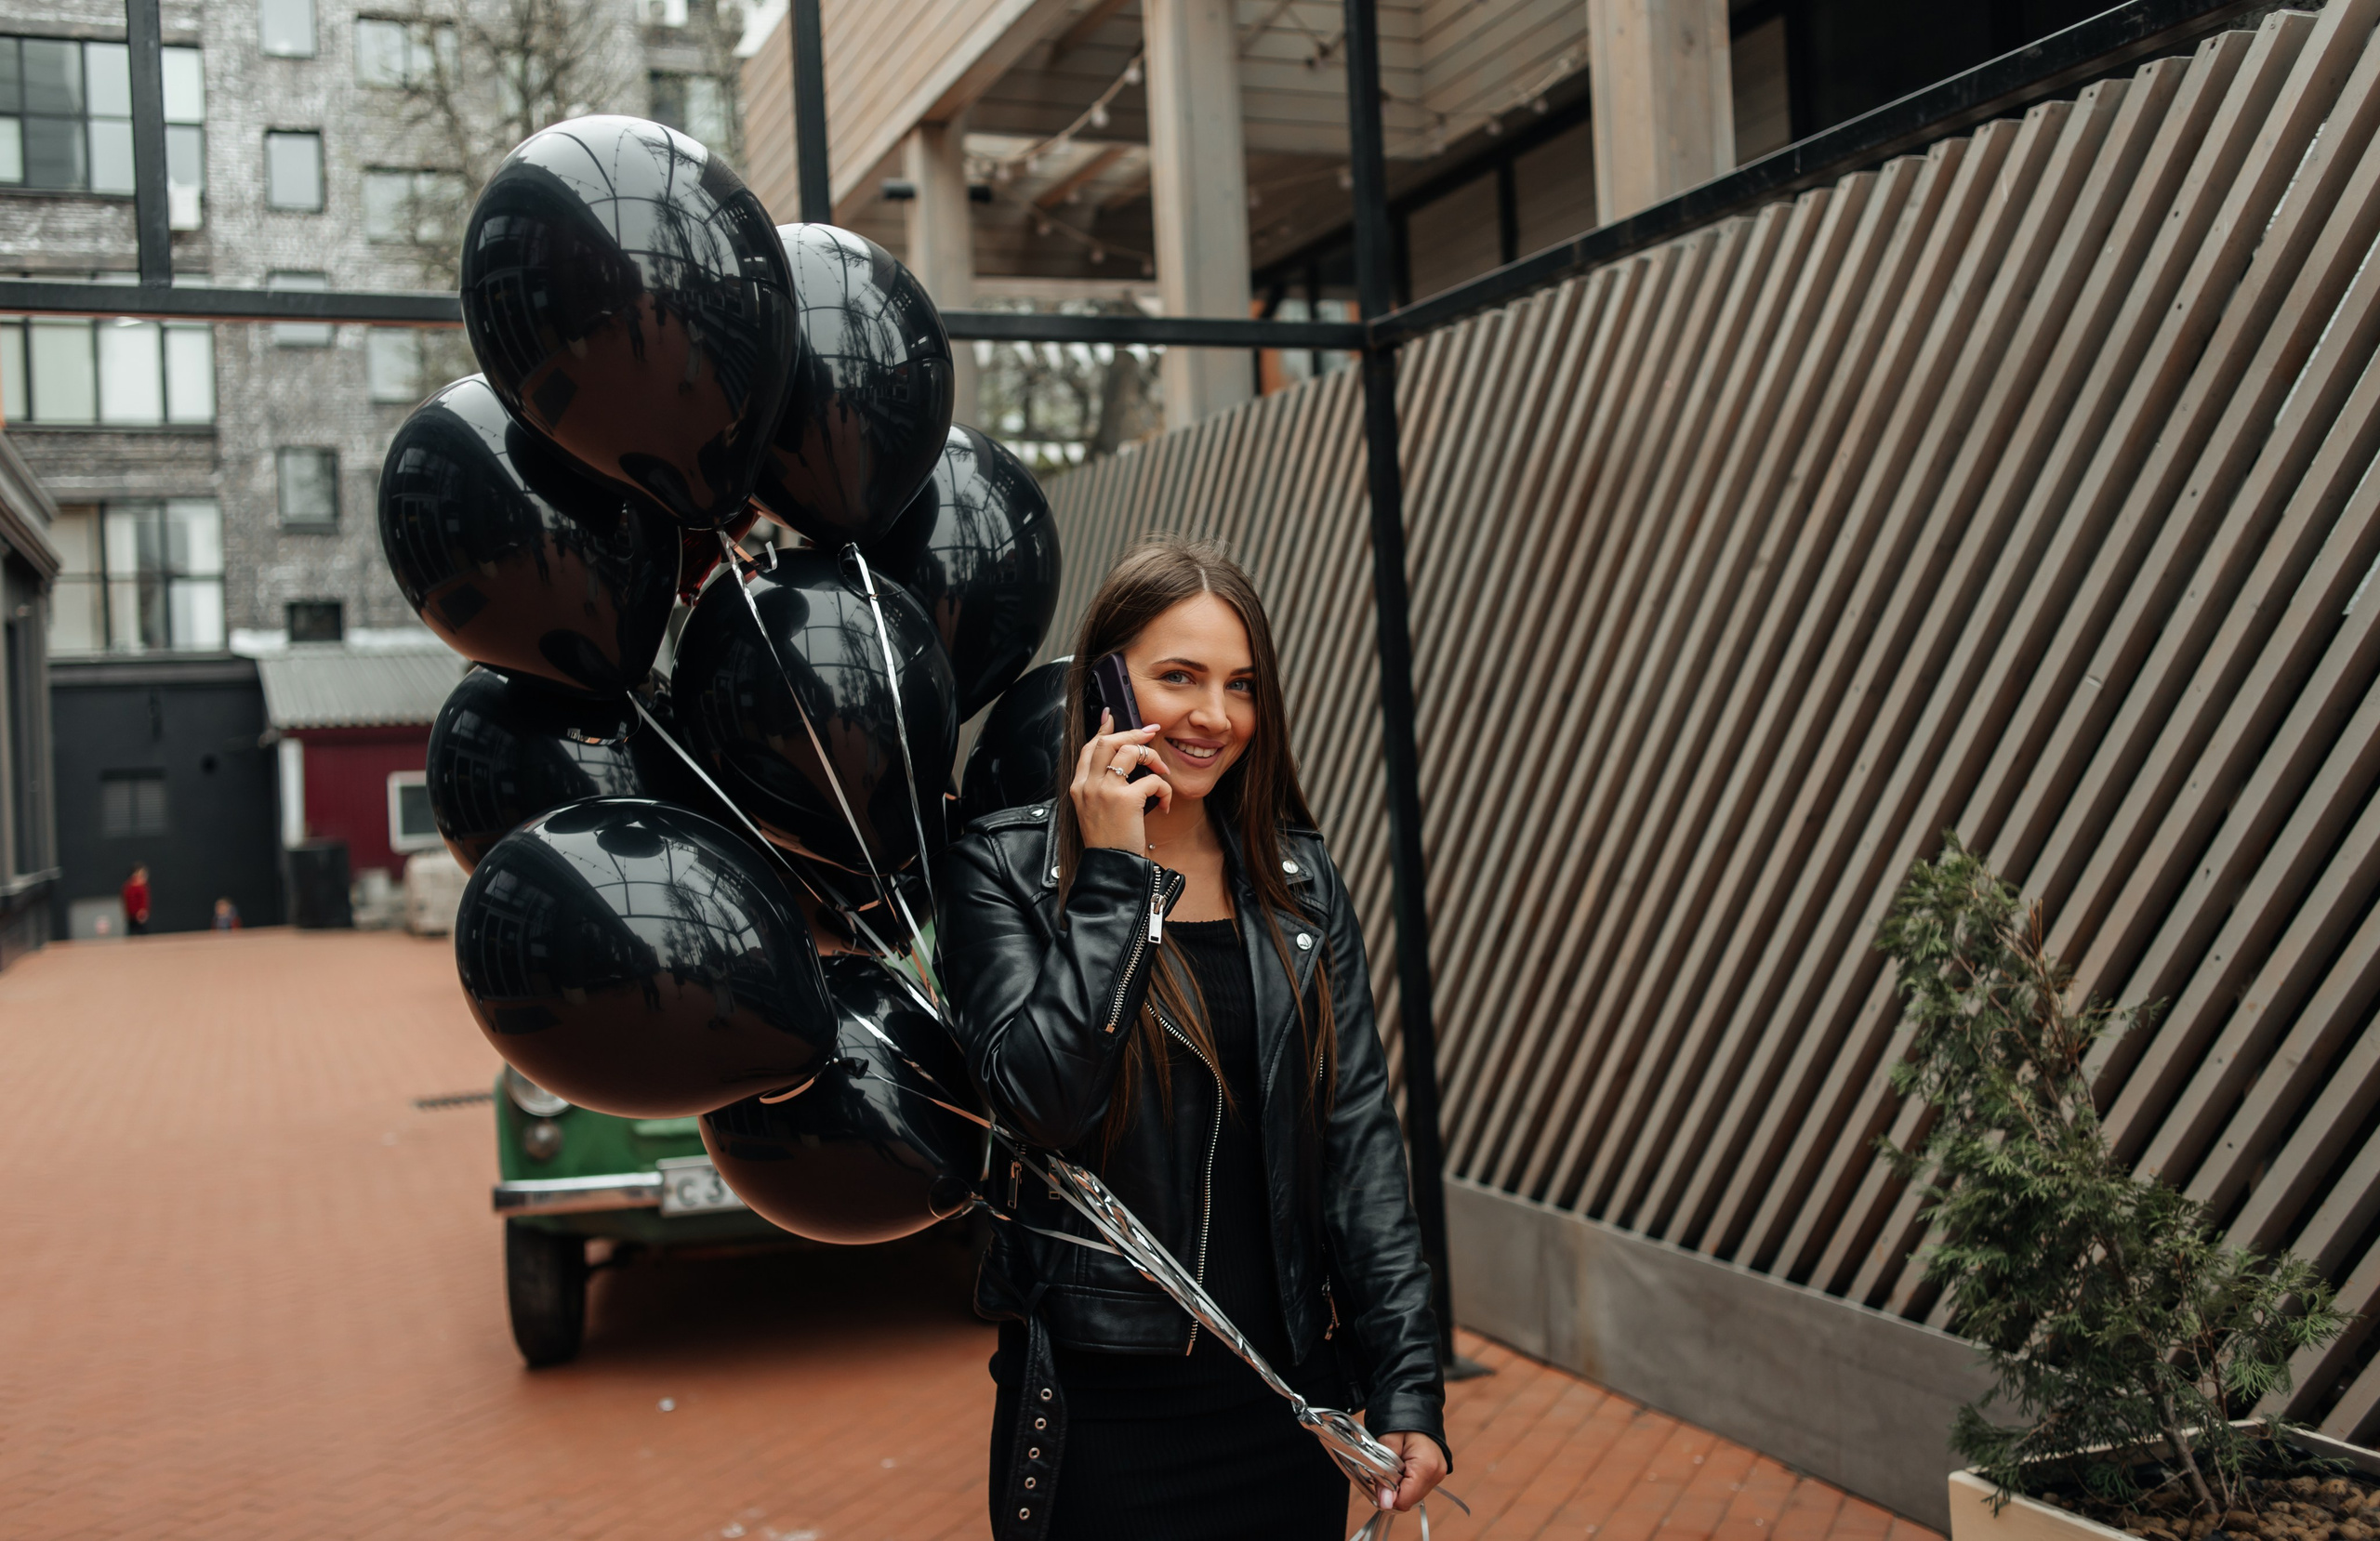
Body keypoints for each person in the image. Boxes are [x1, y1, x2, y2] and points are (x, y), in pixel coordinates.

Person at [942, 536, 1450, 1541]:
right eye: (1178, 676)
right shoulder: (1003, 869)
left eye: (1241, 683)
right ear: (1105, 686)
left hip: (1282, 1400)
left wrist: (1406, 1382)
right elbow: (1041, 1101)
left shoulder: (1296, 880)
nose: (1215, 716)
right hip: (1108, 1418)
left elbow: (1359, 1144)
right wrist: (1116, 876)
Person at [121, 865, 151, 936]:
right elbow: (128, 901)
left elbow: (144, 901)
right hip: (131, 915)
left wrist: (142, 911)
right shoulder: (129, 887)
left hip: (140, 915)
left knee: (142, 932)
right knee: (132, 932)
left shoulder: (142, 888)